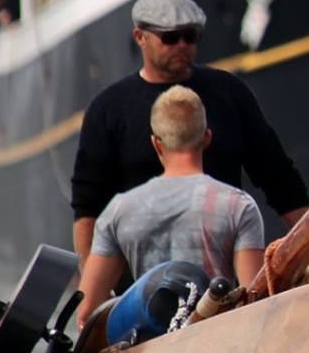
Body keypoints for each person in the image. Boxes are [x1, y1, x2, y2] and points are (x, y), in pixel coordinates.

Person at [71, 0, 309, 267]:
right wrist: (90, 278)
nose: (182, 45)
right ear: (140, 37)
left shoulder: (228, 92)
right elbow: (87, 203)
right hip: (139, 281)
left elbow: (276, 175)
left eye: (190, 36)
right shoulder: (109, 108)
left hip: (222, 272)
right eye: (170, 38)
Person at [75, 85, 266, 329]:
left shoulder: (118, 210)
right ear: (207, 137)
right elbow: (254, 301)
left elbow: (86, 313)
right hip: (215, 347)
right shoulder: (238, 206)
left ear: (156, 143)